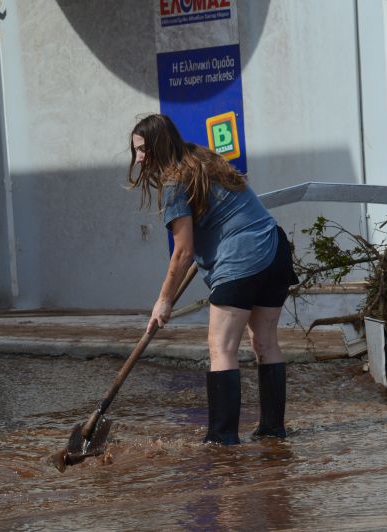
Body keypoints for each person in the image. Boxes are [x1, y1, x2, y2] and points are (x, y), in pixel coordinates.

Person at [127, 114, 298, 445]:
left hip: (243, 259)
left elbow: (183, 252)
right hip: (274, 250)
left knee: (221, 347)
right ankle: (273, 431)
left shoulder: (176, 181)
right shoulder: (202, 158)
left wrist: (163, 300)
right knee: (265, 342)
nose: (137, 159)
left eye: (141, 149)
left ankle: (222, 439)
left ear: (158, 146)